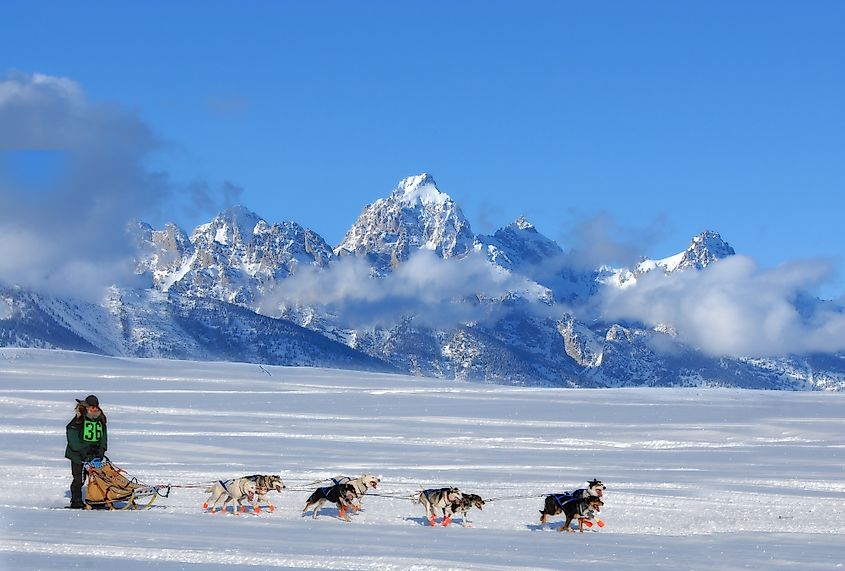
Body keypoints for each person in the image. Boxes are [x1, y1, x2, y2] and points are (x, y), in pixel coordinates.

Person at [65, 395, 108, 508]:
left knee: (97, 479)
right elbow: (72, 437)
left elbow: (103, 437)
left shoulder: (100, 419)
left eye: (96, 407)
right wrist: (83, 452)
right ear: (87, 407)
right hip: (78, 455)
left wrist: (101, 451)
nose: (94, 409)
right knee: (79, 479)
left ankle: (97, 500)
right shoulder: (79, 420)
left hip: (94, 455)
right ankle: (76, 501)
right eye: (92, 407)